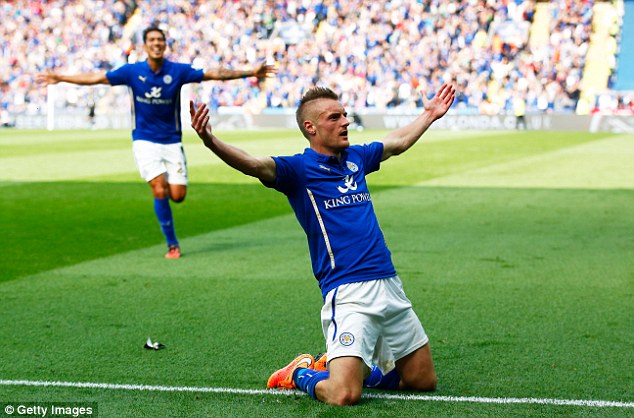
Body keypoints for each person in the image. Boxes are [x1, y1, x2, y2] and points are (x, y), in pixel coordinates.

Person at [190, 83, 455, 405]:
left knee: (421, 381)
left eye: (344, 115)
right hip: (348, 291)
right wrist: (209, 140)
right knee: (344, 394)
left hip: (389, 283)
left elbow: (397, 143)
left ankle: (354, 368)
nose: (345, 122)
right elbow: (253, 164)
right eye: (334, 117)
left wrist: (428, 115)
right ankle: (299, 373)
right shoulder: (297, 170)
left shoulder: (357, 156)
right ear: (310, 127)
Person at [37, 26, 276, 258]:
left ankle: (168, 205)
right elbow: (97, 77)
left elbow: (214, 73)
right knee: (158, 187)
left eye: (160, 40)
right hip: (144, 140)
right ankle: (172, 245)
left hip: (172, 142)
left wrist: (250, 72)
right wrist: (61, 77)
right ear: (145, 45)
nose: (156, 44)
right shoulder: (131, 72)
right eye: (151, 40)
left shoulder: (178, 71)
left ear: (165, 45)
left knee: (178, 195)